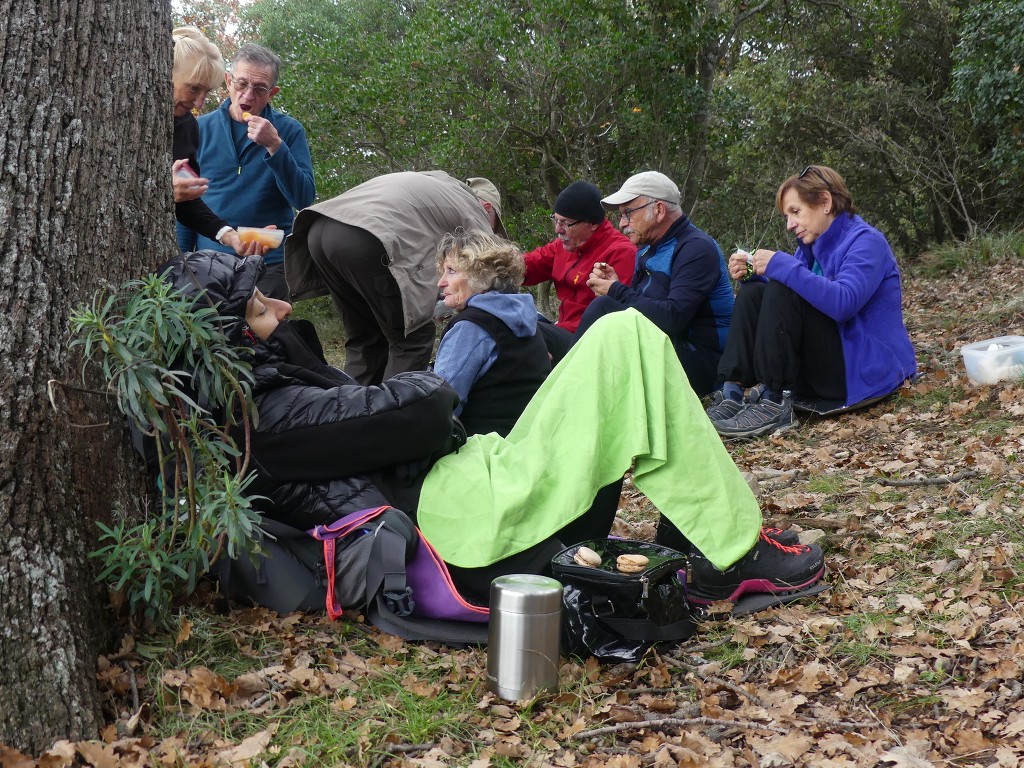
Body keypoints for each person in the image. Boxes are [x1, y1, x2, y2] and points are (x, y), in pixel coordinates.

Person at [161, 250, 826, 606]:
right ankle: (729, 553)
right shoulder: (265, 418)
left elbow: (405, 409)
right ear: (227, 339)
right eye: (259, 307)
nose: (280, 305)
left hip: (472, 479)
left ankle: (711, 541)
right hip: (465, 517)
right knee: (624, 336)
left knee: (624, 336)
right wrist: (414, 380)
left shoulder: (276, 391)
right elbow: (423, 409)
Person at [707, 165, 918, 439]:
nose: (789, 224)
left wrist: (780, 265)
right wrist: (755, 275)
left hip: (861, 369)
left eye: (795, 212)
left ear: (825, 202)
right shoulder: (809, 247)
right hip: (825, 365)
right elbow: (791, 302)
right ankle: (732, 391)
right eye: (786, 216)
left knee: (783, 284)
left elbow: (843, 303)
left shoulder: (866, 242)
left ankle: (773, 400)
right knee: (754, 293)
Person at [285, 172, 507, 386]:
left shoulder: (435, 182)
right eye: (495, 225)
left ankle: (350, 417)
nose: (492, 231)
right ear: (487, 208)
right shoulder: (471, 208)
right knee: (413, 337)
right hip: (366, 237)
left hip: (319, 230)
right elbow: (489, 279)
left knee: (366, 340)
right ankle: (392, 421)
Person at [576, 171, 734, 398]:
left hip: (701, 363)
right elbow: (647, 311)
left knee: (604, 306)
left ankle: (569, 390)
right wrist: (618, 287)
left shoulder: (696, 248)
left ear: (659, 210)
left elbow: (672, 318)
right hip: (668, 350)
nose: (622, 224)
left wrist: (616, 291)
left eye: (628, 213)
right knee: (605, 311)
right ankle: (577, 392)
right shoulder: (648, 250)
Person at [191, 42, 316, 299]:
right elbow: (185, 202)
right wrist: (182, 259)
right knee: (212, 338)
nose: (248, 96)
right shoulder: (199, 129)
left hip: (270, 266)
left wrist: (275, 146)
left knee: (262, 339)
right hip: (209, 262)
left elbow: (303, 199)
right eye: (242, 84)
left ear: (273, 93)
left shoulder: (288, 131)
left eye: (260, 89)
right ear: (228, 81)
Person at [433, 229, 550, 438]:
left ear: (481, 275)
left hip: (480, 450)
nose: (440, 282)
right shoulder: (526, 317)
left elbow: (441, 406)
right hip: (528, 441)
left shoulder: (471, 328)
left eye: (451, 271)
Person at [522, 181, 636, 363]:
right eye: (556, 220)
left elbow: (619, 317)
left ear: (591, 224)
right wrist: (490, 264)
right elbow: (527, 266)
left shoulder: (621, 253)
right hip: (561, 329)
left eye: (565, 223)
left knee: (527, 332)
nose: (558, 229)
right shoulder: (564, 246)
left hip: (587, 341)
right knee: (505, 322)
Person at [170, 26, 254, 257]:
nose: (199, 103)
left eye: (206, 92)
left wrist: (230, 236)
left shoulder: (188, 127)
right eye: (193, 88)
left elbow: (186, 204)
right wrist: (165, 191)